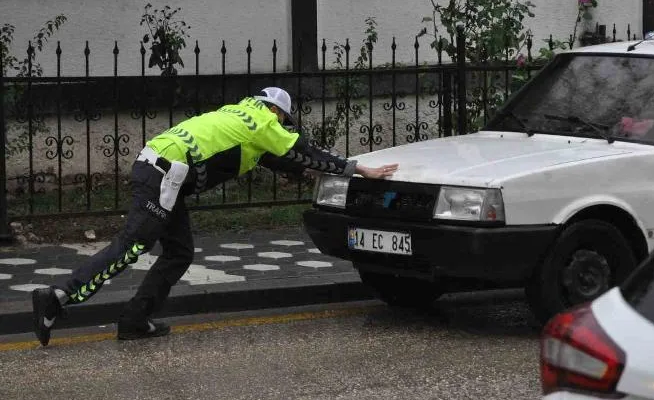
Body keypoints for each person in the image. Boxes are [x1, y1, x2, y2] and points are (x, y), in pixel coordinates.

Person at [31, 87, 398, 346]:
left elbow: (284, 160)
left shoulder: (238, 116)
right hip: (165, 173)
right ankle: (58, 296)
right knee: (132, 246)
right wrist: (356, 169)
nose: (284, 126)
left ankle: (134, 320)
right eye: (285, 120)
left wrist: (312, 172)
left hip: (160, 169)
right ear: (277, 112)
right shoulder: (264, 122)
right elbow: (303, 149)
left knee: (179, 252)